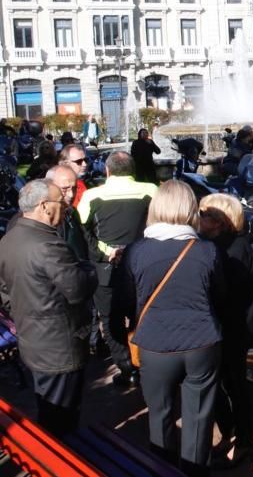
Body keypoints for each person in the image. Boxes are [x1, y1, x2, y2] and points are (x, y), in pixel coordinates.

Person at [116, 181, 225, 476]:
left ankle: (160, 470)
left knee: (159, 414)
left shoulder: (136, 251)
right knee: (199, 418)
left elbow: (125, 301)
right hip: (201, 342)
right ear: (189, 209)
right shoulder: (207, 251)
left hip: (153, 344)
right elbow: (221, 297)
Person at [0, 180, 96, 436]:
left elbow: (4, 291)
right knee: (61, 417)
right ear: (43, 206)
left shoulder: (10, 238)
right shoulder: (48, 245)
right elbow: (78, 290)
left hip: (33, 340)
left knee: (49, 406)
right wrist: (88, 269)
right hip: (59, 347)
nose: (65, 205)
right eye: (60, 201)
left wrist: (26, 309)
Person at [78, 152, 158, 388]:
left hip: (106, 268)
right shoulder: (151, 190)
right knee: (141, 316)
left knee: (110, 319)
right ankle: (146, 363)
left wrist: (105, 251)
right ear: (132, 170)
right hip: (142, 264)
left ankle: (127, 369)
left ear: (107, 171)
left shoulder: (92, 195)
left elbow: (84, 232)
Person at [198, 194, 253, 468]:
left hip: (233, 329)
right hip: (217, 327)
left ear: (220, 220)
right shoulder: (210, 244)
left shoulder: (235, 248)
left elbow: (233, 296)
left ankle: (245, 443)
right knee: (219, 385)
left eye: (204, 213)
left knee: (237, 387)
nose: (198, 217)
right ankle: (229, 432)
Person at [45, 166, 88, 261]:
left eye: (74, 188)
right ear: (49, 186)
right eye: (65, 189)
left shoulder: (71, 211)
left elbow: (86, 241)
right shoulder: (44, 220)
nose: (71, 194)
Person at [58, 145, 89, 227]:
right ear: (66, 163)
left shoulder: (80, 182)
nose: (84, 164)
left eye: (85, 160)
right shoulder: (58, 184)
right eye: (79, 161)